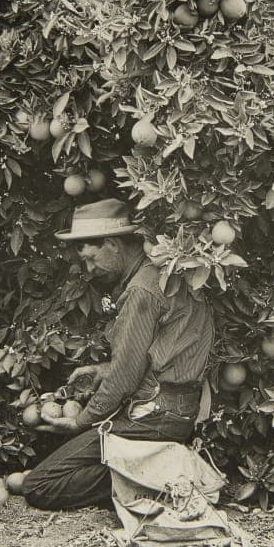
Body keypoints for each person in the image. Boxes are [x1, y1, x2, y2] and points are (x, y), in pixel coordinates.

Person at [22, 198, 215, 512]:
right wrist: (103, 369)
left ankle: (158, 478)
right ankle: (153, 469)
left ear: (112, 243)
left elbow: (124, 380)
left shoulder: (142, 289)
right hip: (174, 411)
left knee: (39, 486)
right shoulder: (162, 274)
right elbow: (158, 355)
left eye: (90, 257)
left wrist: (80, 422)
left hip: (153, 417)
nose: (89, 269)